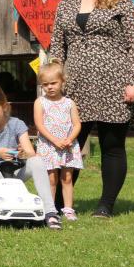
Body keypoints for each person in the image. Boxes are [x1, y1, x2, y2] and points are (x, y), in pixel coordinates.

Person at [49, 0, 134, 218]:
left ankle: (106, 205)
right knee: (68, 145)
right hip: (74, 88)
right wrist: (51, 82)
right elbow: (57, 46)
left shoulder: (122, 3)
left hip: (114, 85)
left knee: (112, 146)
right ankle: (58, 204)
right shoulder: (65, 5)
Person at [0, 84, 62, 231]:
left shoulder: (17, 124)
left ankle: (50, 211)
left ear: (4, 107)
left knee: (36, 161)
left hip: (16, 172)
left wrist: (22, 153)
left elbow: (30, 152)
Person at [33, 59, 83, 221]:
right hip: (48, 146)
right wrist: (54, 140)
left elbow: (77, 124)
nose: (50, 87)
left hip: (67, 146)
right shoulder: (40, 102)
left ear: (62, 81)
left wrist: (70, 139)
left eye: (53, 83)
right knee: (51, 178)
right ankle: (50, 208)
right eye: (45, 84)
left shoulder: (69, 103)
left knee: (67, 178)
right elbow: (39, 124)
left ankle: (68, 209)